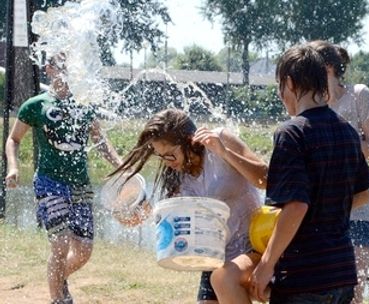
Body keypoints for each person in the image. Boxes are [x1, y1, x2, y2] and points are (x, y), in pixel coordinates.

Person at [212, 44, 369, 304]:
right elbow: (364, 194)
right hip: (342, 274)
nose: (279, 94)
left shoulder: (292, 133)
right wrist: (323, 209)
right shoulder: (347, 131)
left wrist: (266, 264)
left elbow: (296, 206)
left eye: (279, 85)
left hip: (303, 275)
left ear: (289, 82)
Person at [109, 108, 267, 304]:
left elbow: (265, 178)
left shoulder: (220, 140)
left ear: (189, 140)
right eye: (161, 157)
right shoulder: (178, 175)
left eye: (170, 155)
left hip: (254, 246)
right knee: (219, 278)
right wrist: (143, 215)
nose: (167, 163)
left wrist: (224, 153)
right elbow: (176, 223)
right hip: (216, 254)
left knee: (223, 278)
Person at [4, 53, 123, 304]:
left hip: (80, 185)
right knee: (60, 244)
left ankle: (57, 278)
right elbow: (13, 139)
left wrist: (122, 165)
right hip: (49, 183)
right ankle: (58, 299)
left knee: (83, 251)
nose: (68, 71)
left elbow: (100, 142)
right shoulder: (36, 105)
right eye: (62, 67)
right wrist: (13, 168)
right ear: (49, 69)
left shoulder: (84, 104)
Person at [307, 40, 369, 303]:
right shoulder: (312, 104)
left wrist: (346, 137)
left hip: (357, 210)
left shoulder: (359, 94)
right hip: (321, 212)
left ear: (327, 67)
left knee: (353, 292)